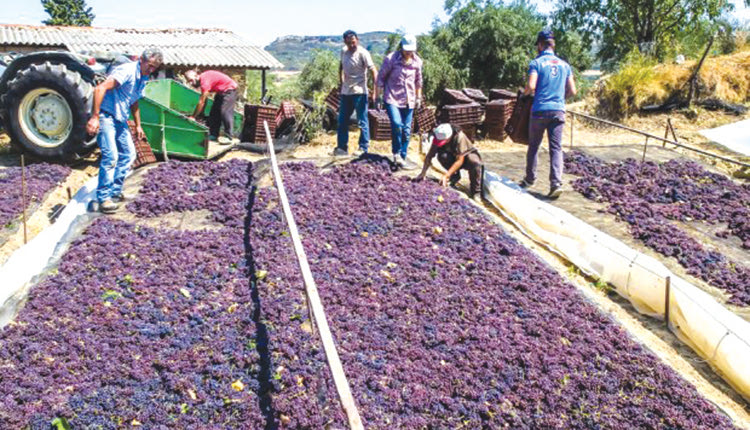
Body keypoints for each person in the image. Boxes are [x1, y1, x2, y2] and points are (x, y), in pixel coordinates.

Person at [86, 48, 163, 214]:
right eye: (149, 66)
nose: (151, 70)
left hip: (120, 119)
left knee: (129, 155)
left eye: (154, 68)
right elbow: (100, 89)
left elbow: (134, 102)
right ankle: (103, 197)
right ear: (141, 60)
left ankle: (115, 191)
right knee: (111, 156)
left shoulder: (143, 77)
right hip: (106, 116)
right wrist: (95, 117)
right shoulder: (126, 71)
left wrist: (138, 125)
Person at [520, 29, 576, 199]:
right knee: (556, 148)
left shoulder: (536, 63)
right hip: (558, 110)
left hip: (540, 111)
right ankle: (556, 184)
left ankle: (530, 179)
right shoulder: (565, 65)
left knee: (534, 146)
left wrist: (525, 95)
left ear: (540, 45)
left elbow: (531, 86)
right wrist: (559, 98)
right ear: (553, 45)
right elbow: (573, 91)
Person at [377, 34, 423, 170]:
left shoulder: (417, 62)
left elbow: (418, 81)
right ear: (401, 47)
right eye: (406, 49)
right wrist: (378, 97)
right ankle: (396, 153)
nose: (409, 52)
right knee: (397, 124)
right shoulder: (391, 59)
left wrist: (419, 97)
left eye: (411, 50)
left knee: (407, 130)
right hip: (392, 98)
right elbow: (380, 78)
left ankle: (402, 157)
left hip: (409, 100)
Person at [332, 30, 378, 157]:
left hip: (359, 92)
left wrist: (375, 90)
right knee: (342, 120)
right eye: (349, 43)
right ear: (345, 42)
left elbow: (374, 71)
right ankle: (342, 147)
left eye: (353, 42)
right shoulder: (343, 51)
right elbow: (341, 66)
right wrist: (341, 81)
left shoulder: (363, 53)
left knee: (362, 121)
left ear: (357, 40)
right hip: (346, 92)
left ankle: (363, 147)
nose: (352, 45)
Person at [415, 123, 483, 202]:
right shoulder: (438, 136)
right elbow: (430, 155)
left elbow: (460, 160)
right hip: (452, 157)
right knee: (442, 156)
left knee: (474, 162)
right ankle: (455, 177)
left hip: (466, 158)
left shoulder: (460, 137)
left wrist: (446, 175)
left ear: (449, 137)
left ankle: (476, 192)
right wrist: (423, 172)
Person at [185, 69, 239, 144]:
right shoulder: (203, 81)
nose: (191, 83)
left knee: (224, 112)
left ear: (196, 76)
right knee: (214, 112)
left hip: (230, 90)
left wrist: (193, 116)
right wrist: (201, 114)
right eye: (189, 81)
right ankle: (213, 134)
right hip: (221, 92)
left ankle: (229, 136)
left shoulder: (204, 81)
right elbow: (205, 100)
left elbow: (201, 102)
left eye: (191, 80)